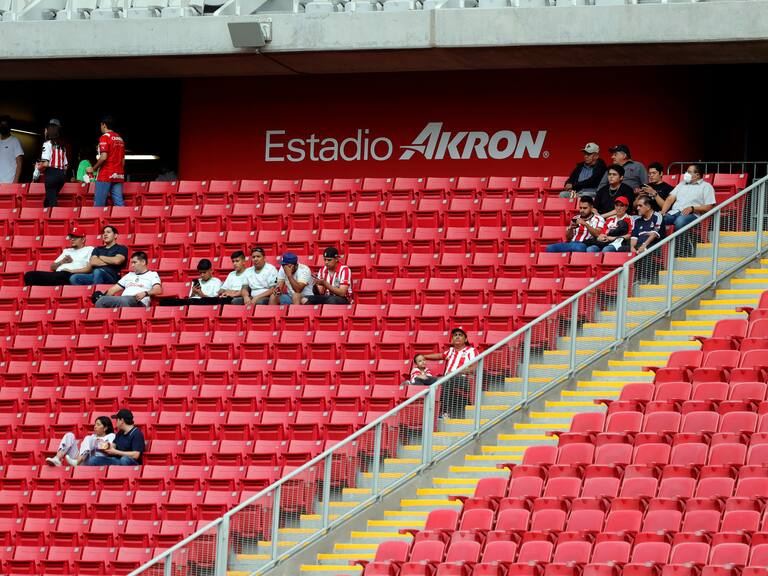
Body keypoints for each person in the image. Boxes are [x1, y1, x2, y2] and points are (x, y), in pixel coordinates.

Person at [421, 327, 477, 420]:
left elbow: (474, 368)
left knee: (446, 380)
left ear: (466, 339)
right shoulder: (451, 351)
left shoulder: (471, 351)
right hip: (449, 378)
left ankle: (444, 413)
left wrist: (457, 371)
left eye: (460, 335)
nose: (457, 337)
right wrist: (423, 357)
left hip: (464, 380)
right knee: (422, 378)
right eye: (455, 335)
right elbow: (440, 355)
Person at [24, 227, 94, 286]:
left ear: (83, 239)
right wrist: (62, 261)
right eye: (71, 237)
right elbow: (52, 267)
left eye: (75, 237)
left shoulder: (90, 249)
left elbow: (89, 269)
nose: (72, 239)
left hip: (71, 275)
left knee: (61, 275)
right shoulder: (67, 251)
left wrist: (71, 271)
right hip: (58, 274)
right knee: (29, 275)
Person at [94, 251, 162, 308]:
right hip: (123, 300)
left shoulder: (152, 274)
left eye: (134, 262)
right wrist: (102, 296)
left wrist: (145, 293)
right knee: (101, 301)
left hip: (138, 302)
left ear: (143, 262)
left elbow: (158, 290)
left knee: (125, 299)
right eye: (131, 263)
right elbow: (113, 290)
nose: (132, 265)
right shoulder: (129, 275)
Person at [661, 162, 716, 232]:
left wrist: (692, 208)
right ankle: (660, 243)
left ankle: (680, 243)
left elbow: (709, 207)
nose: (686, 174)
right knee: (659, 220)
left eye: (689, 172)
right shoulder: (681, 184)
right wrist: (663, 211)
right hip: (674, 212)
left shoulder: (706, 186)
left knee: (680, 222)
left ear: (697, 175)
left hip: (693, 215)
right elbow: (670, 198)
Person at [45, 416, 115, 467]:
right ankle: (57, 459)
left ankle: (77, 462)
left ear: (105, 428)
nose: (95, 427)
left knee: (88, 438)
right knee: (69, 435)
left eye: (98, 425)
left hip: (95, 460)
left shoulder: (111, 436)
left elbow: (109, 447)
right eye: (95, 424)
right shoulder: (93, 436)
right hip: (82, 459)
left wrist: (95, 443)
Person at [88, 116, 125, 207]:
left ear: (104, 125)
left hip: (105, 175)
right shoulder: (120, 139)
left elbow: (104, 157)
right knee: (119, 203)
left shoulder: (104, 137)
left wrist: (93, 168)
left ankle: (97, 221)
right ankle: (123, 221)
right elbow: (123, 160)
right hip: (118, 174)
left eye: (101, 125)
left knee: (99, 205)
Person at [632, 195, 665, 284]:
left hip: (654, 245)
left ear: (648, 207)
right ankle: (629, 279)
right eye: (637, 206)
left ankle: (645, 278)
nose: (637, 208)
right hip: (639, 244)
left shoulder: (657, 216)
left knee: (645, 249)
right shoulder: (637, 220)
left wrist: (644, 245)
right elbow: (634, 237)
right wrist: (632, 247)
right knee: (621, 250)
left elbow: (654, 234)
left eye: (640, 206)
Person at [35, 122, 69, 207]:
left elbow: (45, 163)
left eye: (45, 130)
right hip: (61, 176)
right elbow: (66, 166)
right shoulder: (62, 146)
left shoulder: (47, 144)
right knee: (50, 198)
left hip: (51, 174)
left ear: (48, 132)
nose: (44, 132)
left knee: (52, 202)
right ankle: (46, 214)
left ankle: (55, 218)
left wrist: (38, 167)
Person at [0, 115, 24, 184]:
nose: (3, 127)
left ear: (10, 127)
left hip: (9, 182)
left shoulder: (15, 141)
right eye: (1, 124)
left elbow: (19, 163)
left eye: (5, 125)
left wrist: (15, 182)